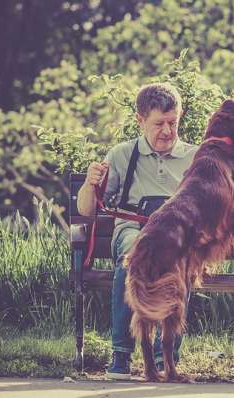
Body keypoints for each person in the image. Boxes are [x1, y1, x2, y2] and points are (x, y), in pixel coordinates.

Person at [76, 83, 197, 380]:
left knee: (179, 263)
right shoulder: (121, 155)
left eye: (173, 123)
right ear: (140, 121)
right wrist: (90, 183)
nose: (167, 131)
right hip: (134, 228)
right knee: (132, 257)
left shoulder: (193, 157)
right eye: (159, 124)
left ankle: (164, 356)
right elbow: (86, 210)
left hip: (174, 236)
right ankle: (121, 354)